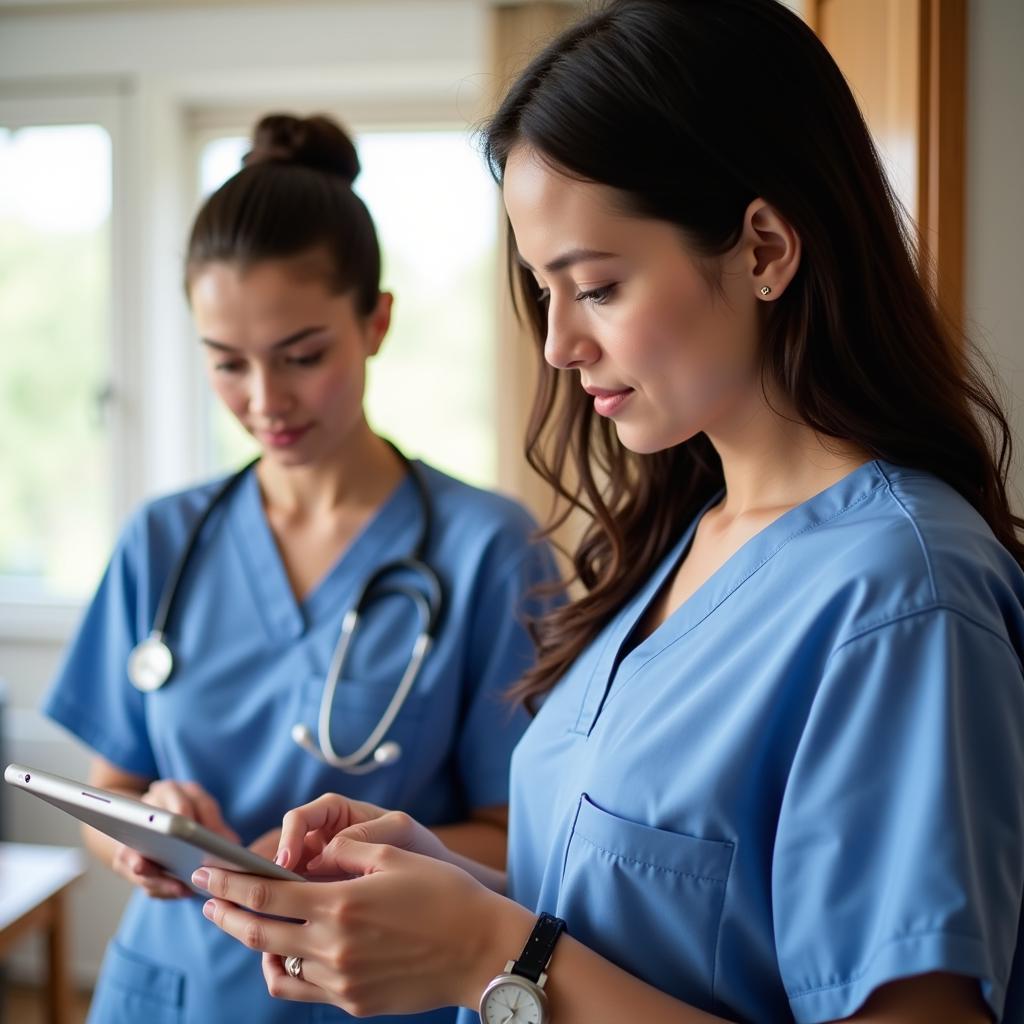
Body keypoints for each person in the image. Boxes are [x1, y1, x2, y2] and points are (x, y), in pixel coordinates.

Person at [194, 3, 1024, 1023]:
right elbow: (649, 930)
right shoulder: (689, 543)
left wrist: (490, 953)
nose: (556, 345)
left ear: (764, 248)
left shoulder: (903, 595)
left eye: (595, 286)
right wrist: (455, 894)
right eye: (544, 291)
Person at [43, 112, 558, 1024]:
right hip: (169, 991)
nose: (265, 401)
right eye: (227, 364)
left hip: (375, 998)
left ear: (377, 322)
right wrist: (138, 832)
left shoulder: (489, 549)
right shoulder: (163, 540)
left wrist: (360, 854)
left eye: (302, 356)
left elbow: (519, 838)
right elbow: (106, 792)